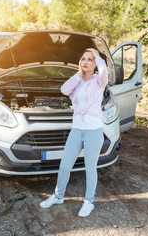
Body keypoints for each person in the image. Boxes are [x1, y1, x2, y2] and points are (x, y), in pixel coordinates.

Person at [40, 48, 108, 217]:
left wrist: (97, 55)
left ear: (95, 63)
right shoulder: (77, 81)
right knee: (64, 166)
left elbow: (105, 69)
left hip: (93, 130)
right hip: (77, 130)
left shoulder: (99, 81)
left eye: (90, 59)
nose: (86, 62)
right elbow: (64, 90)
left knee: (90, 168)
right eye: (83, 58)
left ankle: (88, 201)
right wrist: (78, 73)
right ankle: (58, 196)